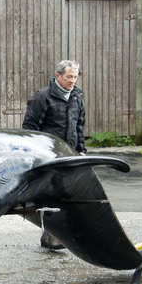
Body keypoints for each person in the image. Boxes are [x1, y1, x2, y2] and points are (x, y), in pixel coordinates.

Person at [23, 60, 86, 249]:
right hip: (48, 155)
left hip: (70, 154)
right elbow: (30, 129)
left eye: (75, 77)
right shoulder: (42, 98)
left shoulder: (76, 96)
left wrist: (81, 150)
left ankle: (60, 236)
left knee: (67, 195)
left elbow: (79, 126)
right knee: (51, 197)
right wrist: (36, 155)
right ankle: (51, 237)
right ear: (58, 76)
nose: (73, 80)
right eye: (69, 77)